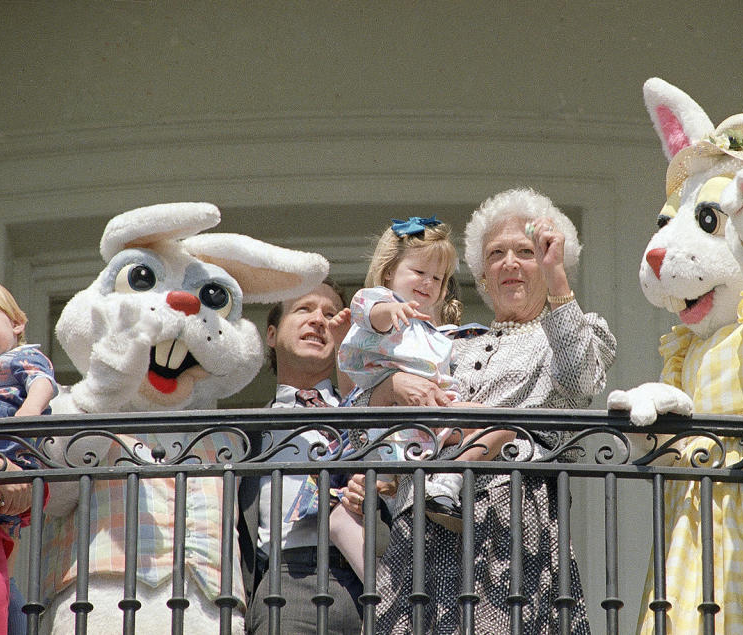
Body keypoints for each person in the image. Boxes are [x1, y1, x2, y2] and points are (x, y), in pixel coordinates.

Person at [345, 188, 618, 633]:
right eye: (496, 254)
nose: (509, 263)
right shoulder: (445, 342)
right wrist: (394, 386)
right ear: (483, 276)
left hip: (509, 529)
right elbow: (360, 432)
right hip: (419, 533)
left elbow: (581, 381)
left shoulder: (577, 330)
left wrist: (558, 280)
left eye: (526, 252)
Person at [335, 216, 486, 550]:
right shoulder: (382, 305)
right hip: (396, 425)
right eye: (419, 272)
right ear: (390, 271)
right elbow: (365, 308)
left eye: (438, 277)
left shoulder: (430, 330)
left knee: (492, 421)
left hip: (427, 420)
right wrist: (390, 311)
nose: (428, 282)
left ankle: (445, 483)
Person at [237, 280, 367, 635]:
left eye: (330, 314)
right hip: (288, 587)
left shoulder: (371, 415)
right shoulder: (244, 434)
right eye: (304, 309)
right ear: (271, 334)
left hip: (374, 579)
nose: (319, 321)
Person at [0, 280, 58, 635]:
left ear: (17, 324)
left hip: (12, 453)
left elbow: (41, 381)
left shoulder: (21, 356)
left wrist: (26, 414)